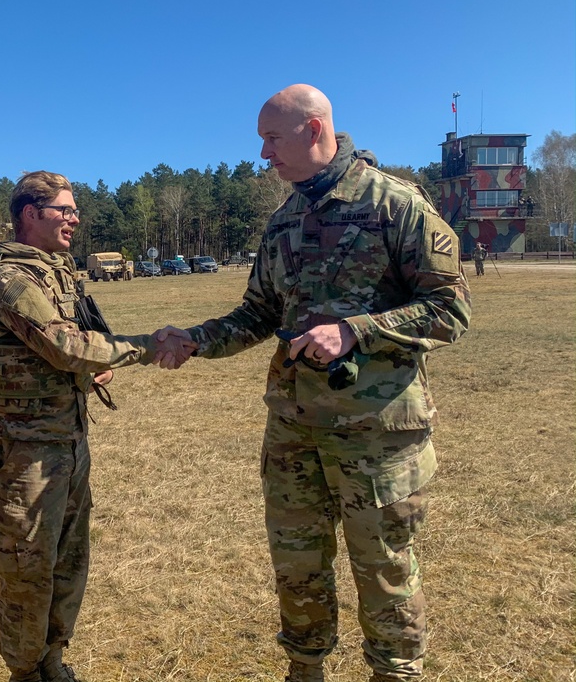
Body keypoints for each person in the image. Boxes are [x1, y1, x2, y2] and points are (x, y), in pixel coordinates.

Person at [157, 85, 471, 682]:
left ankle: (394, 673)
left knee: (384, 571)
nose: (263, 155)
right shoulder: (283, 222)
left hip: (375, 436)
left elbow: (449, 309)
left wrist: (357, 331)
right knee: (297, 566)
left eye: (271, 139)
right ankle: (304, 669)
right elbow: (257, 314)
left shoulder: (394, 205)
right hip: (295, 431)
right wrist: (197, 338)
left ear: (314, 129)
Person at [0, 171, 192, 682]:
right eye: (63, 210)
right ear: (30, 214)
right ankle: (25, 672)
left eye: (74, 210)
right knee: (27, 572)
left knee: (69, 562)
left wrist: (98, 361)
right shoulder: (12, 280)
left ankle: (52, 660)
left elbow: (80, 341)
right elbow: (66, 347)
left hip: (67, 444)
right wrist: (144, 346)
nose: (74, 218)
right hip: (24, 455)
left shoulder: (58, 274)